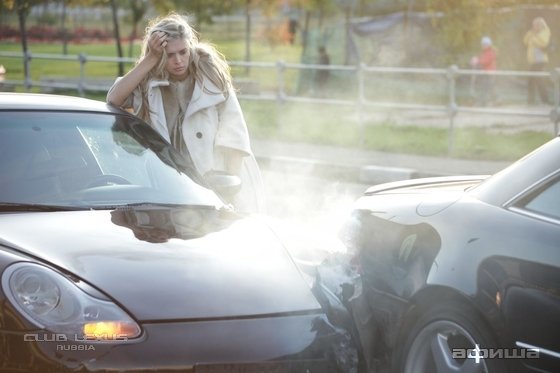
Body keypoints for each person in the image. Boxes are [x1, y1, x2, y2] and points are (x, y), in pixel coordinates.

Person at [107, 13, 265, 214]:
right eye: (170, 55)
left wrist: (229, 188)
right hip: (169, 184)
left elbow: (235, 136)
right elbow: (114, 99)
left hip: (220, 179)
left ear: (190, 47)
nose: (178, 61)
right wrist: (151, 59)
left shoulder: (211, 76)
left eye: (183, 52)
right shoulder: (148, 83)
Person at [523, 17, 551, 105]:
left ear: (540, 25)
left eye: (535, 24)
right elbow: (525, 41)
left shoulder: (545, 32)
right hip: (533, 60)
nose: (533, 26)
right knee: (531, 80)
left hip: (540, 60)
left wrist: (534, 38)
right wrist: (530, 33)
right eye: (533, 24)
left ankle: (545, 100)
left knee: (539, 80)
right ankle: (531, 101)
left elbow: (543, 43)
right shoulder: (532, 33)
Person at [470, 36, 497, 106]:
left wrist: (477, 61)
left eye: (485, 44)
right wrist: (476, 60)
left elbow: (486, 61)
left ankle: (492, 101)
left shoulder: (490, 52)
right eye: (483, 44)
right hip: (485, 73)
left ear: (489, 45)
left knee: (488, 87)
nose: (483, 46)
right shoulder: (484, 52)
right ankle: (484, 101)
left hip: (489, 73)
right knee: (484, 87)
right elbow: (483, 60)